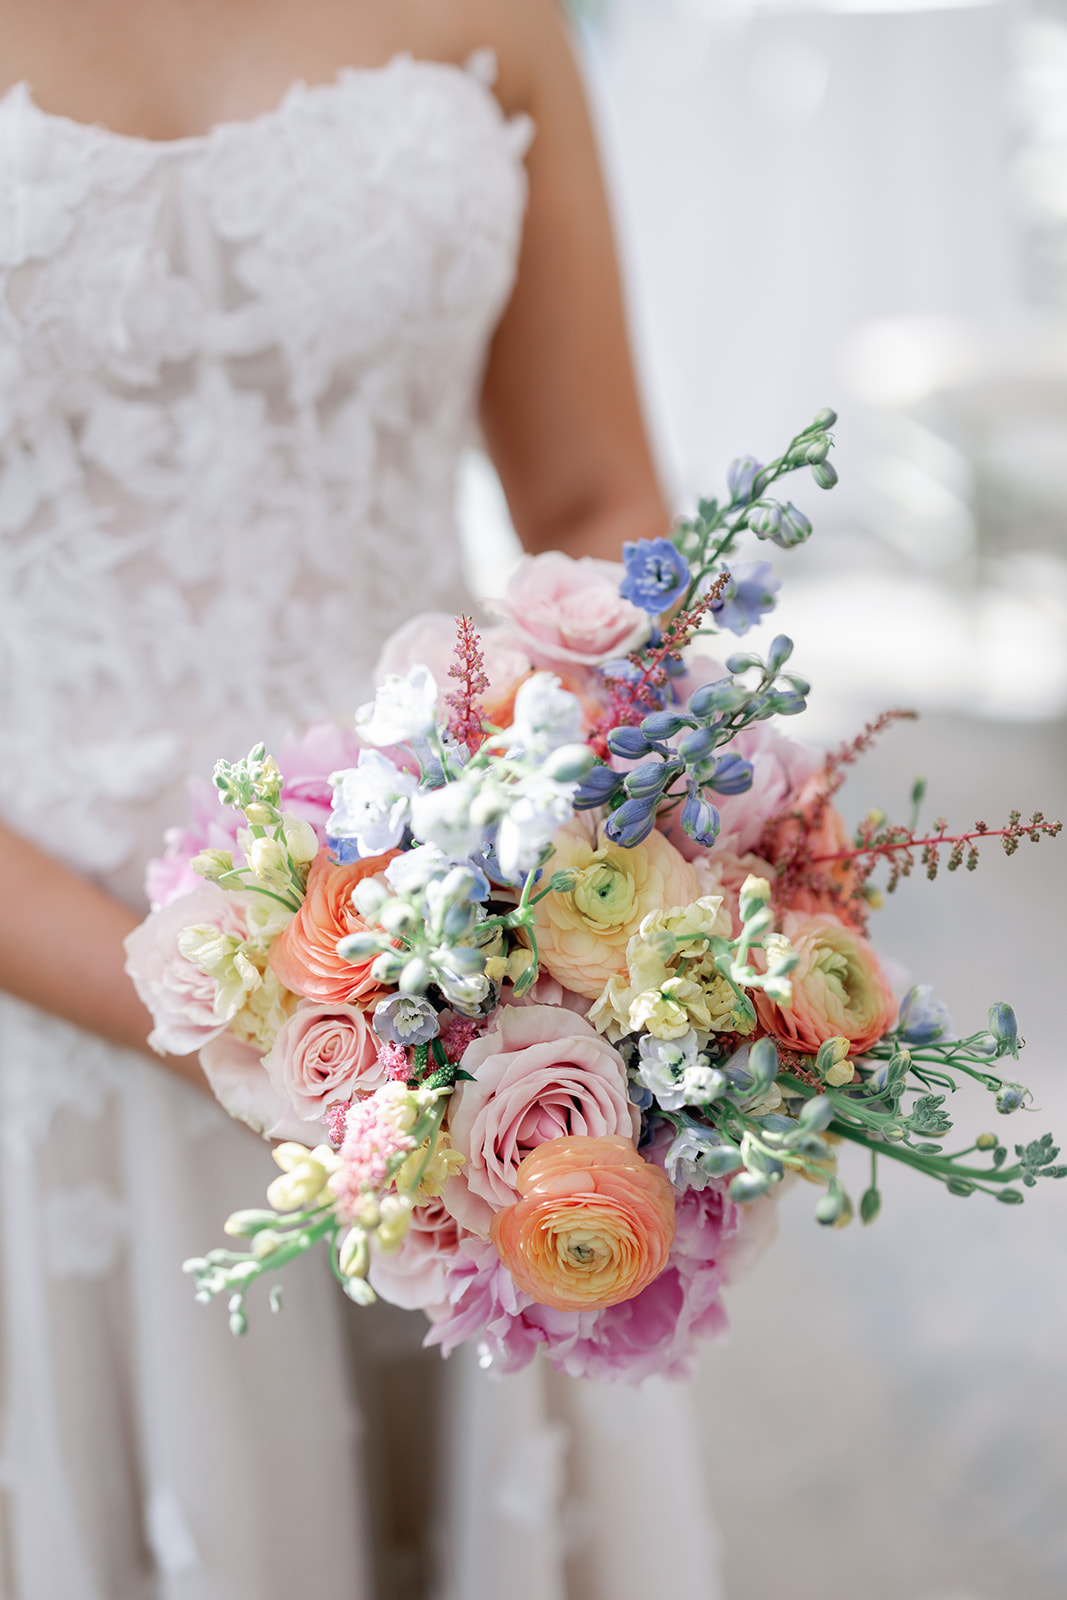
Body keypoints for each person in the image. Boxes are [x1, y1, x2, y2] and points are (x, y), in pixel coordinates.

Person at [0, 3, 721, 1596]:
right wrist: (230, 1020)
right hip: (47, 996)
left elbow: (598, 496)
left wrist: (562, 846)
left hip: (457, 980)